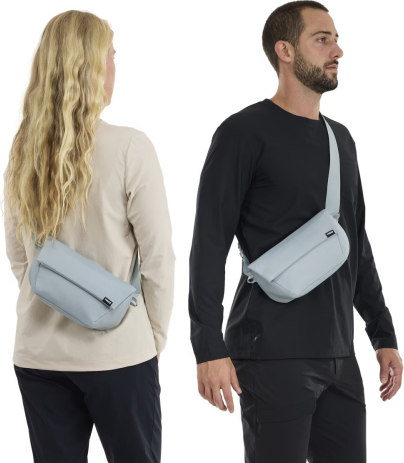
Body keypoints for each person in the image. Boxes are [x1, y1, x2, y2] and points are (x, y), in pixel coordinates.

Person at [188, 2, 402, 462]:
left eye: (336, 39)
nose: (337, 51)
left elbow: (356, 243)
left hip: (340, 354)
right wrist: (207, 347)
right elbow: (209, 243)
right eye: (322, 39)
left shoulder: (341, 139)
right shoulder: (242, 133)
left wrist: (383, 334)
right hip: (270, 352)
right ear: (284, 51)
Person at [2, 10, 175, 463]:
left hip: (38, 354)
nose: (115, 66)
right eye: (111, 55)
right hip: (118, 352)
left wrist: (52, 297)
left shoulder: (23, 150)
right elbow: (158, 258)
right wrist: (152, 338)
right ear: (92, 66)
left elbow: (20, 257)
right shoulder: (131, 147)